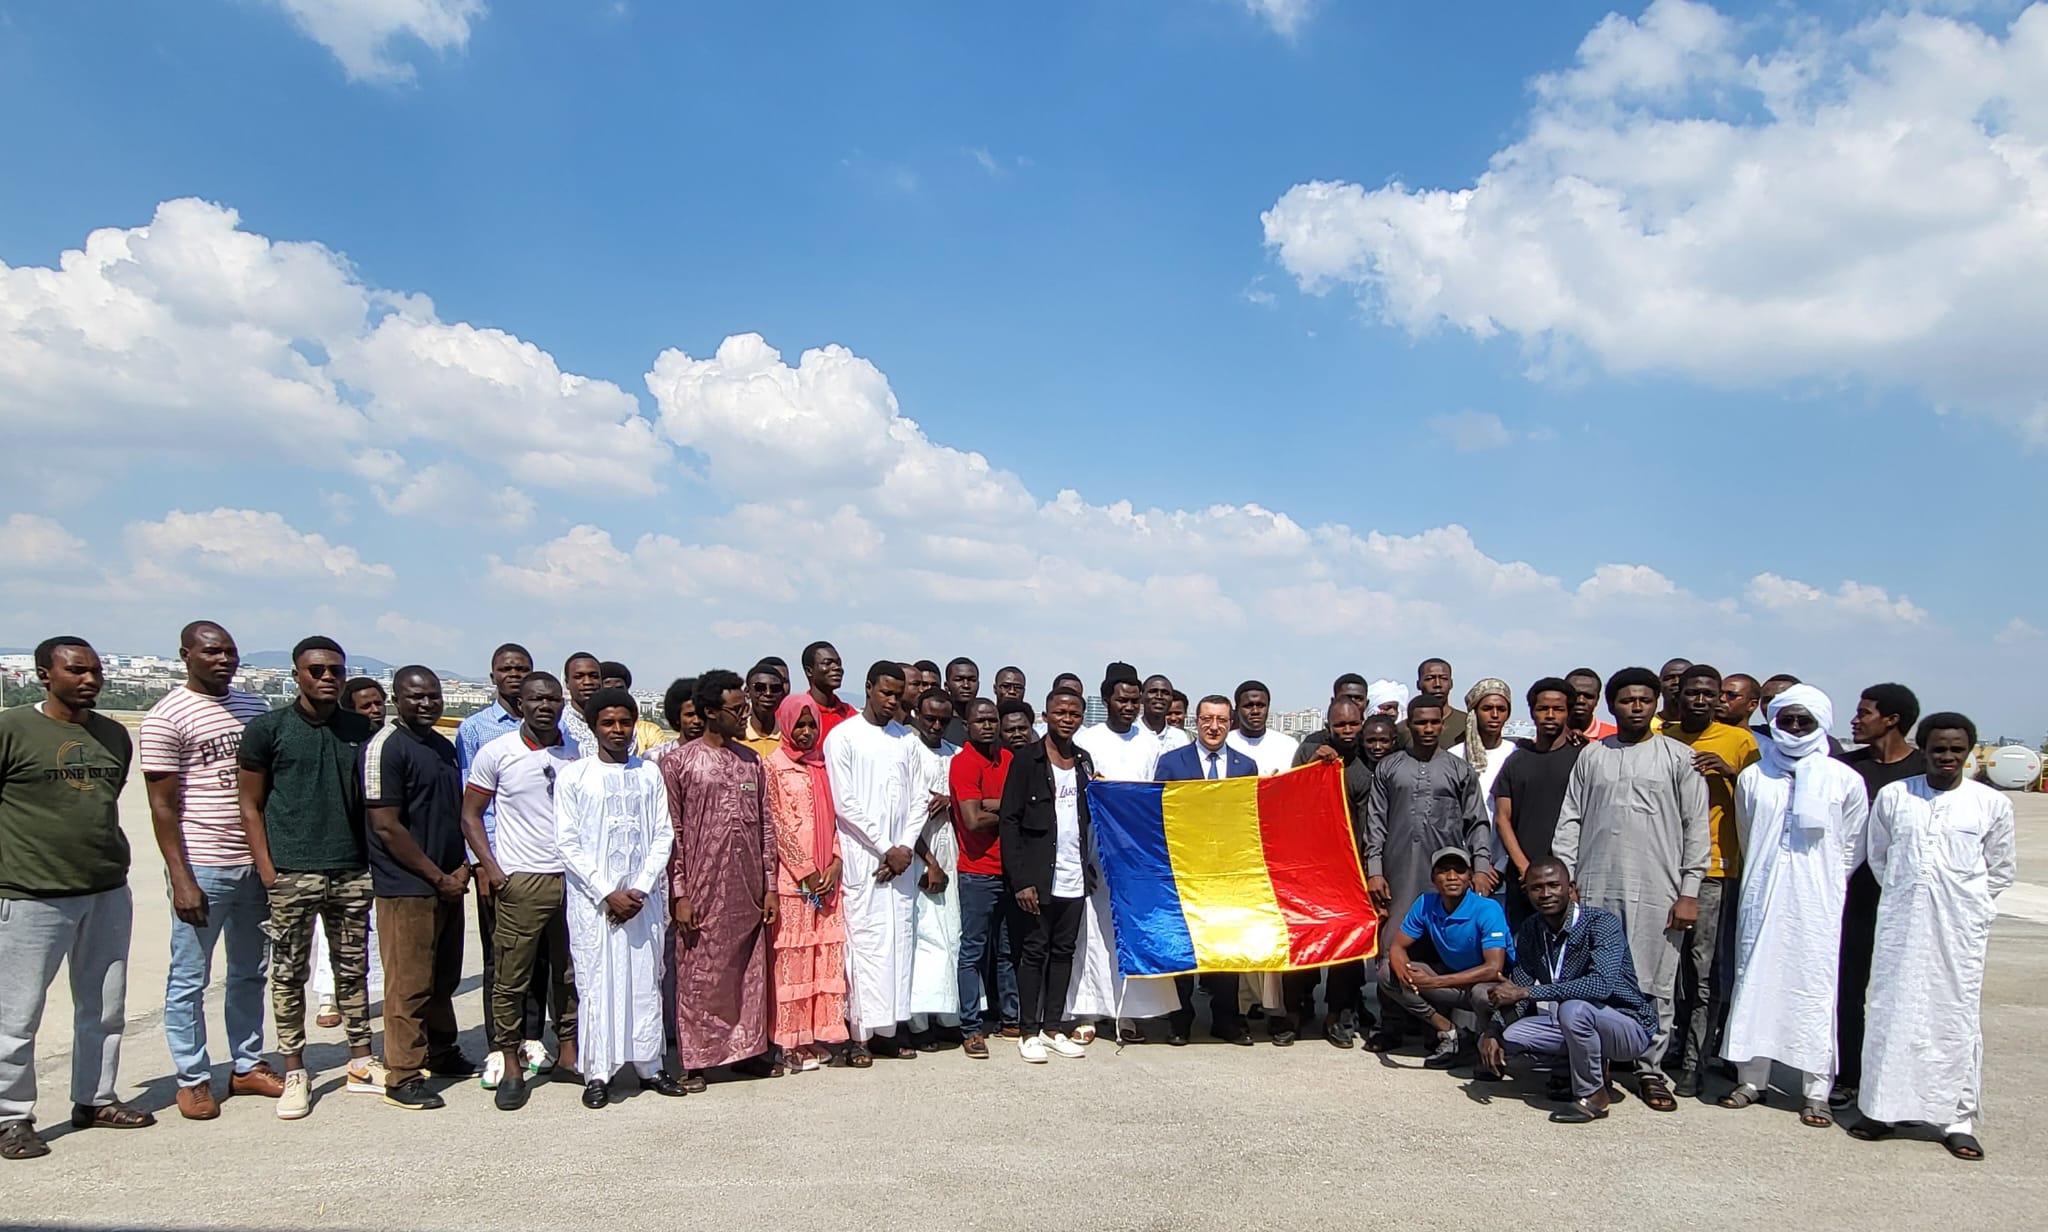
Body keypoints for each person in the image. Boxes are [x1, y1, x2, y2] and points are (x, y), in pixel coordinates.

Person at [0, 637, 151, 1161]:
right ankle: (11, 1117)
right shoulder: (12, 728)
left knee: (105, 1007)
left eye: (96, 671)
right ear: (45, 675)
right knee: (17, 1015)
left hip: (106, 889)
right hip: (30, 894)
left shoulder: (112, 735)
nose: (90, 680)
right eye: (77, 671)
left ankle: (95, 1098)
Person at [1854, 712, 2015, 1162]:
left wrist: (1964, 904)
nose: (1947, 757)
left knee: (1952, 1017)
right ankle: (1881, 1109)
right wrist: (1913, 894)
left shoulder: (1989, 804)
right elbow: (1879, 857)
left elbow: (2001, 869)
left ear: (1969, 751)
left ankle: (1955, 1119)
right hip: (1901, 924)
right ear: (1922, 748)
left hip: (1958, 931)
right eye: (1938, 748)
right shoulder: (1894, 797)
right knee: (1890, 1011)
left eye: (1956, 749)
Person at [139, 621, 281, 1119]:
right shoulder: (165, 718)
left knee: (250, 972)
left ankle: (246, 1064)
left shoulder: (253, 708)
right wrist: (181, 877)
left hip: (252, 863)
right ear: (186, 655)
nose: (223, 660)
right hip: (203, 863)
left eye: (230, 652)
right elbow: (160, 806)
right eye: (212, 652)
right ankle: (193, 1077)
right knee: (189, 977)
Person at [236, 635, 382, 1120]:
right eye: (316, 670)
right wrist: (267, 869)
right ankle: (294, 1067)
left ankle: (361, 1058)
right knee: (288, 974)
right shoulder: (268, 729)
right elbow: (250, 805)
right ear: (297, 674)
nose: (326, 678)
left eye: (335, 671)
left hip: (349, 869)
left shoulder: (359, 729)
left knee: (353, 969)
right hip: (293, 871)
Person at [1551, 666, 1708, 1113]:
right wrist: (1567, 879)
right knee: (1589, 974)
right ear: (1611, 705)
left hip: (1659, 887)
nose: (1636, 707)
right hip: (1595, 884)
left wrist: (1689, 890)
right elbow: (1571, 819)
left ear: (1657, 703)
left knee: (1654, 978)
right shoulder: (1593, 757)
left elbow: (1696, 827)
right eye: (1626, 700)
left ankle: (1649, 1069)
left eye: (1644, 700)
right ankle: (1590, 1066)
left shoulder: (1679, 757)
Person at [1719, 685, 1867, 1126]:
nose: (1796, 729)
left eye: (1805, 721)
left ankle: (1816, 1089)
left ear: (1821, 723)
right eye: (1787, 720)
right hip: (1763, 893)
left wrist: (1824, 881)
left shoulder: (1844, 779)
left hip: (1817, 899)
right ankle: (1752, 1079)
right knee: (1755, 981)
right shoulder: (1755, 777)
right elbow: (1748, 834)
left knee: (1814, 988)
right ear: (1776, 721)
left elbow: (1852, 844)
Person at [556, 688, 688, 1107]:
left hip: (642, 900)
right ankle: (599, 1071)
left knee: (645, 980)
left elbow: (662, 834)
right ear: (594, 727)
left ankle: (650, 1066)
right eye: (608, 723)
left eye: (624, 722)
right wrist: (607, 892)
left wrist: (642, 887)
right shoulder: (575, 777)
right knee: (597, 981)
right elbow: (568, 842)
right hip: (595, 903)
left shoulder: (648, 774)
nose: (617, 730)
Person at [462, 672, 582, 1111]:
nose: (546, 706)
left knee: (569, 973)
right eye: (536, 699)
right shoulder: (498, 752)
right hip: (521, 879)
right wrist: (490, 867)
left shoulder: (574, 751)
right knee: (512, 977)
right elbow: (471, 814)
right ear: (521, 702)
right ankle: (511, 1062)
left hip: (571, 879)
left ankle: (568, 1053)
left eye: (553, 698)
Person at [361, 667, 475, 1111]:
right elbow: (386, 826)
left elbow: (451, 814)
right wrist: (435, 875)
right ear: (397, 699)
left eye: (433, 696)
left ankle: (441, 1051)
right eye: (416, 697)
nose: (426, 704)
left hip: (448, 882)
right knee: (408, 982)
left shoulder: (442, 747)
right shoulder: (386, 748)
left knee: (443, 977)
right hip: (407, 885)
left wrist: (461, 868)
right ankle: (403, 1074)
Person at [657, 671, 779, 1085]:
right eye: (737, 709)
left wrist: (770, 887)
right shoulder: (678, 763)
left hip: (746, 889)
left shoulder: (750, 761)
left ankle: (745, 1050)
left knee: (747, 971)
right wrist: (680, 894)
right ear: (711, 713)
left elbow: (766, 828)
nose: (744, 714)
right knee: (700, 975)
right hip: (701, 889)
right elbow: (671, 833)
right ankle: (696, 1058)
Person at [1479, 858, 1659, 1123]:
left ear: (1570, 888)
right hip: (1571, 1022)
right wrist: (1493, 1030)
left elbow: (1600, 985)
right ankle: (1576, 1069)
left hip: (1627, 1025)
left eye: (1554, 885)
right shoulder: (1531, 929)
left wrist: (1528, 993)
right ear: (1526, 892)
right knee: (1510, 1039)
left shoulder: (1601, 924)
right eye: (1536, 888)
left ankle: (1594, 1096)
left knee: (1574, 1008)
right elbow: (1517, 983)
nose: (1546, 894)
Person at [1657, 664, 1760, 1096]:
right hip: (1663, 864)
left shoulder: (1740, 742)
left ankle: (1696, 1061)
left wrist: (1731, 773)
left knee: (1702, 970)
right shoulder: (1664, 737)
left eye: (1709, 693)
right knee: (1666, 967)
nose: (1700, 700)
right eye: (1692, 692)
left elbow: (1761, 803)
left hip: (1714, 870)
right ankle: (1663, 1048)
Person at [1070, 665, 1179, 1043]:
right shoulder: (1086, 740)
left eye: (1135, 700)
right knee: (1093, 931)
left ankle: (1127, 1014)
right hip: (1096, 850)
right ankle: (1087, 1012)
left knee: (1128, 930)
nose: (1130, 707)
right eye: (1123, 700)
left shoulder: (1151, 744)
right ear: (1107, 701)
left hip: (1137, 855)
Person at [1831, 682, 1924, 1111]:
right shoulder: (1848, 769)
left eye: (1865, 712)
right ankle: (1849, 1075)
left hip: (1906, 902)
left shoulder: (1925, 772)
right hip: (1852, 897)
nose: (1856, 719)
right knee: (1848, 989)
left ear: (1892, 720)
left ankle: (1902, 1081)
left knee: (1904, 990)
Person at [453, 643, 539, 1090]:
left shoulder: (553, 729)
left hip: (542, 864)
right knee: (501, 959)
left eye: (522, 668)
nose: (514, 675)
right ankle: (498, 1046)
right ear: (492, 676)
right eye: (506, 669)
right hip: (499, 863)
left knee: (542, 958)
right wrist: (482, 863)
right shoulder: (475, 729)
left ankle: (533, 1039)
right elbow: (472, 806)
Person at [824, 662, 919, 1062]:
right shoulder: (843, 737)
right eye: (886, 693)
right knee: (865, 945)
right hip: (866, 859)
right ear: (868, 689)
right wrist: (885, 847)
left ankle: (889, 1029)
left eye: (898, 694)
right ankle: (859, 1035)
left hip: (900, 862)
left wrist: (905, 847)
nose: (892, 700)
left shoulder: (906, 740)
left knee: (900, 944)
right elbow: (845, 802)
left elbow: (919, 800)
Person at [999, 687, 1095, 1064]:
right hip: (1038, 876)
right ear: (1046, 715)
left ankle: (1053, 1027)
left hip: (1074, 874)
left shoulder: (1084, 761)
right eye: (1060, 712)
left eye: (1074, 713)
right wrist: (1020, 880)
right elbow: (1009, 821)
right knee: (1034, 952)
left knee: (1063, 952)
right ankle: (1028, 1031)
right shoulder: (1027, 761)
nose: (1067, 719)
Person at [1158, 696, 1259, 1047]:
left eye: (1220, 720)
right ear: (1195, 722)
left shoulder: (1246, 766)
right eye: (1206, 719)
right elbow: (1157, 815)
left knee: (1225, 946)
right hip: (1184, 870)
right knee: (1183, 946)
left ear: (1230, 723)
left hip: (1227, 873)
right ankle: (1180, 1019)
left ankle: (1227, 1020)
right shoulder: (1171, 764)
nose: (1213, 727)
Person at [763, 694, 850, 1071]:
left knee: (822, 956)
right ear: (784, 725)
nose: (805, 732)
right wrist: (804, 871)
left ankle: (816, 1034)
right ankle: (789, 1042)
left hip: (826, 879)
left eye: (811, 725)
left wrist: (834, 861)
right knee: (794, 957)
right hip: (793, 881)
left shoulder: (823, 766)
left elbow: (837, 818)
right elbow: (776, 825)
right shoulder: (773, 767)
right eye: (798, 724)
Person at [1380, 848, 1514, 1068]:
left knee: (1483, 994)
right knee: (1387, 972)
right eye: (1443, 871)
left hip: (1493, 986)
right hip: (1455, 981)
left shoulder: (1487, 908)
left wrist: (1434, 982)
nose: (1452, 877)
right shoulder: (1425, 903)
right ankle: (1451, 1032)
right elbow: (1397, 947)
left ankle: (1489, 1043)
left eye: (1459, 870)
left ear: (1470, 876)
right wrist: (1404, 973)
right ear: (1433, 878)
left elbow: (1493, 968)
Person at [1295, 697, 1375, 1046]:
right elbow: (1288, 796)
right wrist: (1312, 767)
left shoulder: (1367, 765)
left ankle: (1338, 1015)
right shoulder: (1308, 751)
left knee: (1348, 946)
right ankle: (1295, 1009)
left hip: (1350, 869)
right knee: (1304, 937)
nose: (1346, 730)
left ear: (1362, 724)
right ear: (1328, 725)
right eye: (1339, 725)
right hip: (1308, 867)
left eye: (1352, 724)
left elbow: (1371, 824)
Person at [313, 675, 389, 1031]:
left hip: (383, 846)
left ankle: (371, 991)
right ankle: (329, 995)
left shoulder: (389, 743)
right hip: (344, 848)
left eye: (378, 703)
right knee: (333, 926)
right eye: (365, 706)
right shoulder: (344, 743)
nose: (374, 711)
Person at [952, 698, 1019, 1057]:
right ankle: (971, 1027)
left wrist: (995, 804)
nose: (988, 726)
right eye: (980, 721)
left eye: (992, 720)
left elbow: (1027, 804)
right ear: (967, 725)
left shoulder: (1008, 759)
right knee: (973, 952)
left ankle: (1010, 1017)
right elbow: (974, 820)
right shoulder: (963, 764)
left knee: (1008, 950)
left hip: (1009, 870)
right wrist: (1008, 809)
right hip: (977, 871)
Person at [1492, 679, 1581, 928]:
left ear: (1568, 712)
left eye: (1558, 709)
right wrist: (1525, 869)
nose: (1550, 715)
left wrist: (1572, 877)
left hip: (1569, 878)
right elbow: (1502, 818)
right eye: (1543, 709)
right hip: (1523, 880)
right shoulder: (1516, 761)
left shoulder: (1582, 760)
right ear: (1532, 711)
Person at [905, 691, 962, 1046]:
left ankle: (947, 1014)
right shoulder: (907, 754)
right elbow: (902, 816)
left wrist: (953, 801)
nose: (936, 726)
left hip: (952, 850)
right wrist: (929, 862)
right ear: (917, 714)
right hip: (917, 857)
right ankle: (917, 1021)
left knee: (950, 935)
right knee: (921, 937)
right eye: (929, 719)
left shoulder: (957, 756)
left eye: (943, 720)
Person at [1447, 678, 1512, 801]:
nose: (1495, 715)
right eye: (1487, 708)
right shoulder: (1453, 757)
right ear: (1474, 712)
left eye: (1501, 709)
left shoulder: (1515, 754)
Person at [1226, 679, 1299, 775]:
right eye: (1248, 706)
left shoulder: (1289, 745)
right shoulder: (1225, 743)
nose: (1255, 711)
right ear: (1237, 709)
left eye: (1261, 706)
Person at [596, 662, 668, 753]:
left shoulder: (649, 731)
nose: (614, 694)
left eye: (619, 689)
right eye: (608, 689)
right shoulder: (588, 731)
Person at [800, 642, 858, 739]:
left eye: (839, 663)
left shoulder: (850, 714)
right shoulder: (799, 713)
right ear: (809, 671)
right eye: (827, 663)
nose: (837, 668)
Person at [559, 653, 605, 758]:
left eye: (593, 676)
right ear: (567, 683)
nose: (587, 682)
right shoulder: (559, 723)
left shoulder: (615, 722)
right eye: (579, 677)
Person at [1415, 659, 1467, 747]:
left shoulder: (1467, 723)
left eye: (1443, 678)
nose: (1437, 684)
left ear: (1451, 683)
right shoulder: (1404, 730)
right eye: (1430, 678)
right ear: (1418, 684)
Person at [741, 661, 789, 757]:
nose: (768, 693)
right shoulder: (736, 738)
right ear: (747, 692)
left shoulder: (789, 738)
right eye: (760, 688)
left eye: (775, 688)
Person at [1141, 674, 1191, 754]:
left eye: (1165, 693)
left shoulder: (1180, 738)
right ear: (1141, 697)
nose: (1159, 696)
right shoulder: (1130, 732)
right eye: (1153, 691)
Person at [1564, 669, 1617, 741]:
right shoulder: (1547, 736)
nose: (1581, 700)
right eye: (1575, 695)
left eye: (1588, 696)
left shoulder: (1615, 736)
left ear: (1597, 700)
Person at [942, 658, 979, 744]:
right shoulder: (939, 722)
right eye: (959, 680)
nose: (966, 685)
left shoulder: (988, 722)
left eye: (972, 680)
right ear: (946, 686)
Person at [663, 677, 706, 743]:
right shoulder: (660, 753)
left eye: (701, 714)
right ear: (677, 718)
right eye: (690, 715)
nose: (697, 721)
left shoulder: (721, 753)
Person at [1656, 658, 1693, 730]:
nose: (1676, 682)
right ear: (1659, 684)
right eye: (1669, 678)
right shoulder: (1646, 727)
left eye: (1682, 677)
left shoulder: (1710, 728)